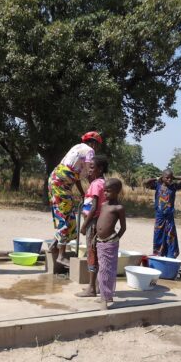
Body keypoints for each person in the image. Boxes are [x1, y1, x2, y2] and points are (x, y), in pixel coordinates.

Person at [48, 131, 103, 265]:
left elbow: (77, 176)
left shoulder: (77, 147)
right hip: (60, 184)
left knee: (67, 216)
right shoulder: (90, 151)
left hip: (56, 181)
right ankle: (61, 255)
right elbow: (92, 171)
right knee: (67, 218)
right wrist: (98, 186)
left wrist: (83, 193)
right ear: (95, 143)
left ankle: (54, 245)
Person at [76, 155, 108, 298]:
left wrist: (84, 225)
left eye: (92, 168)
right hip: (99, 221)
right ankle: (96, 285)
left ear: (100, 169)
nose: (89, 171)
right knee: (96, 253)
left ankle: (91, 289)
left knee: (92, 254)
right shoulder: (102, 182)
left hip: (93, 222)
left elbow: (94, 207)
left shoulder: (96, 184)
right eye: (89, 168)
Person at [96, 178, 126, 310]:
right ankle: (106, 295)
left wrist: (115, 239)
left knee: (107, 270)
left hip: (110, 242)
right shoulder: (103, 205)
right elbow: (100, 223)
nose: (106, 193)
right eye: (104, 191)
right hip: (99, 242)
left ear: (117, 192)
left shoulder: (118, 208)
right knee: (102, 268)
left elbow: (123, 228)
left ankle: (104, 298)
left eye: (109, 191)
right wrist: (95, 238)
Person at [144, 169, 181, 258]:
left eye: (171, 178)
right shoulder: (157, 185)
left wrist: (174, 177)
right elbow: (145, 182)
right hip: (159, 217)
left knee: (171, 237)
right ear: (162, 178)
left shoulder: (174, 187)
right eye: (167, 178)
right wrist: (157, 178)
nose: (169, 180)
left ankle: (170, 256)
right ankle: (158, 255)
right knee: (158, 236)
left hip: (169, 217)